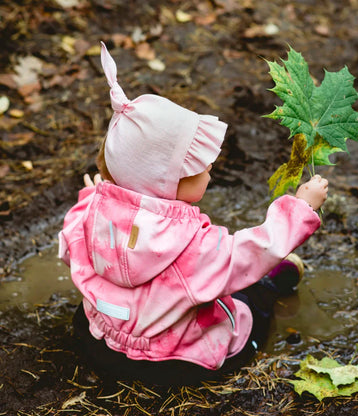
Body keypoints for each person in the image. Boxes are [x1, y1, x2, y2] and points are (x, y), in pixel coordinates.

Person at [59, 42, 328, 385]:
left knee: (101, 309)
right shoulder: (191, 246)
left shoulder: (89, 212)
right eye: (201, 168)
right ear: (167, 182)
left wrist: (91, 197)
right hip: (175, 363)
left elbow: (71, 252)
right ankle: (272, 287)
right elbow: (249, 254)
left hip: (101, 344)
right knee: (246, 302)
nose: (210, 170)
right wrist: (301, 208)